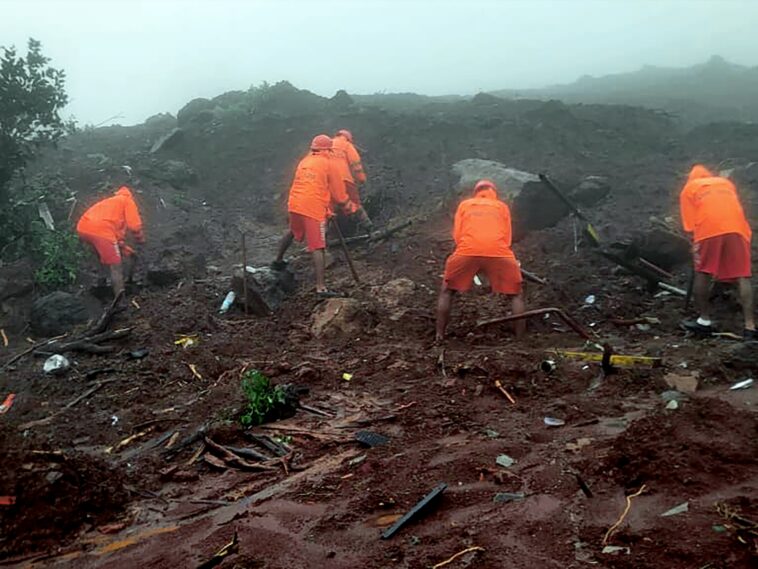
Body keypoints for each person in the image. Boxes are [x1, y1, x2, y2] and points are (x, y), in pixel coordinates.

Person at [436, 179, 525, 341]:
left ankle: (439, 336)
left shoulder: (465, 205)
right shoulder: (502, 207)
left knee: (447, 291)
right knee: (516, 294)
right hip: (499, 252)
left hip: (467, 250)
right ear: (494, 192)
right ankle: (520, 339)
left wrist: (472, 254)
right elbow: (507, 237)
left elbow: (457, 235)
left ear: (476, 192)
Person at [272, 134, 358, 296]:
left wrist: (328, 209)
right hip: (312, 208)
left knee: (292, 230)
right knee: (318, 246)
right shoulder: (329, 164)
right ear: (328, 149)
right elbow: (339, 195)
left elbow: (313, 186)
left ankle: (277, 261)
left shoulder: (305, 161)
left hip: (295, 203)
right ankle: (321, 288)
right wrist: (349, 206)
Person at [679, 164, 755, 339]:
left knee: (703, 272)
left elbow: (689, 226)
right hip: (739, 229)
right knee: (743, 275)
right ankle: (750, 326)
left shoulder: (690, 188)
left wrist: (695, 247)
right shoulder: (725, 183)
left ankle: (704, 321)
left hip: (708, 229)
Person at [76, 185, 145, 299]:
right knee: (116, 266)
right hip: (101, 230)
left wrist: (124, 248)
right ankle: (120, 299)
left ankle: (101, 285)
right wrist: (140, 239)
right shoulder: (127, 201)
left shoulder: (111, 203)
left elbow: (113, 234)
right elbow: (135, 226)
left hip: (83, 227)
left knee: (100, 256)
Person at [332, 129, 372, 228]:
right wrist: (362, 179)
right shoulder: (347, 145)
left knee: (329, 209)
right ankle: (369, 228)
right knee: (355, 203)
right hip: (344, 179)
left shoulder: (327, 144)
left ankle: (325, 237)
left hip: (327, 181)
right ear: (349, 139)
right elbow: (356, 165)